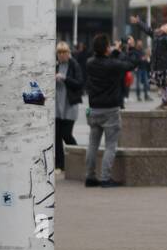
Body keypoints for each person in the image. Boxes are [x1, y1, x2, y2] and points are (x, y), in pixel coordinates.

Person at [84, 33, 129, 187]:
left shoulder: (89, 63)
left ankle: (90, 177)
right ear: (105, 48)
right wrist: (124, 51)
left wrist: (114, 51)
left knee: (92, 144)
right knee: (110, 145)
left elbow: (107, 62)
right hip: (110, 110)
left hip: (94, 109)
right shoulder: (111, 65)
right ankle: (105, 178)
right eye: (109, 45)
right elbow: (128, 65)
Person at [54, 40, 84, 173]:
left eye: (63, 52)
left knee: (67, 134)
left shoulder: (74, 65)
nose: (61, 55)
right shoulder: (54, 65)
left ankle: (79, 159)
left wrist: (65, 78)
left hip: (70, 105)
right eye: (59, 53)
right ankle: (60, 165)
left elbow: (79, 83)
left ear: (68, 53)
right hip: (56, 106)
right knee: (57, 136)